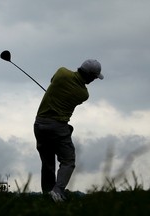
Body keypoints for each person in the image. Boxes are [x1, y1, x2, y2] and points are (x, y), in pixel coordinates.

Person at [34, 59, 104, 202]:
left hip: (39, 124)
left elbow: (53, 81)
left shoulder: (61, 72)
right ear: (90, 76)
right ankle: (57, 192)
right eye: (95, 77)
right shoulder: (83, 94)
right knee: (68, 160)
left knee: (47, 162)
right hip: (58, 126)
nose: (94, 80)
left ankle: (47, 194)